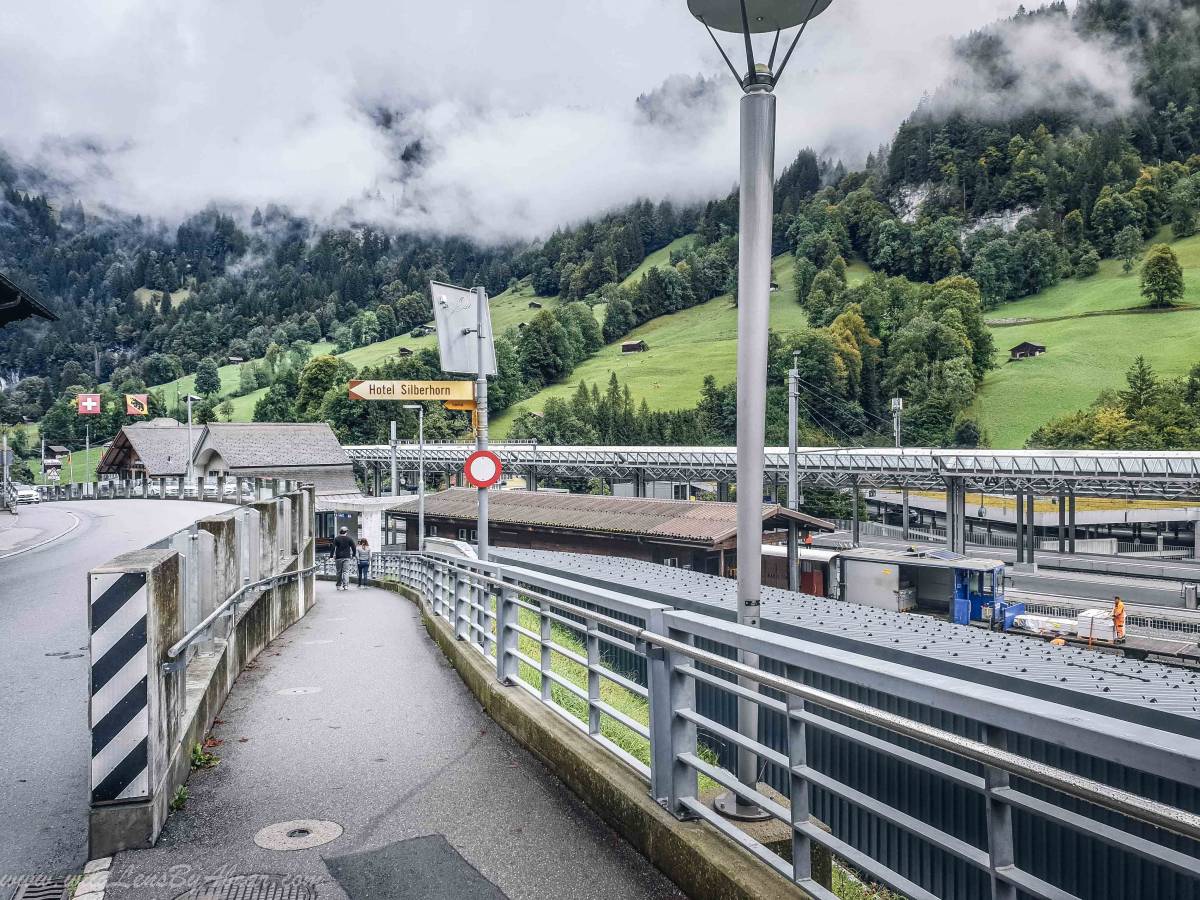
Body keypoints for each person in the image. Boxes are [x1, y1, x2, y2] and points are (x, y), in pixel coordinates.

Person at [332, 526, 356, 591]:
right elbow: (354, 547)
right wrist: (354, 555)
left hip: (338, 557)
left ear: (340, 531)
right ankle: (345, 586)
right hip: (347, 557)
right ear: (346, 532)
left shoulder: (336, 539)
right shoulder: (349, 539)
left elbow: (333, 547)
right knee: (346, 572)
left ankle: (338, 585)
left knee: (339, 572)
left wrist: (331, 556)